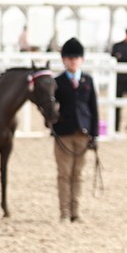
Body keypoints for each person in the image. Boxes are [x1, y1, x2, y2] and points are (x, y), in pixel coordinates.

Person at [51, 38, 98, 222]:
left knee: (78, 174)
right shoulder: (57, 82)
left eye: (76, 57)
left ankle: (75, 212)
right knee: (64, 173)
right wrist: (53, 126)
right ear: (64, 60)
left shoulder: (88, 80)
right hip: (64, 133)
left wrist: (95, 134)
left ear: (82, 59)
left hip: (82, 133)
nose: (73, 61)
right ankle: (63, 212)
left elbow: (93, 108)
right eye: (69, 58)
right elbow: (50, 109)